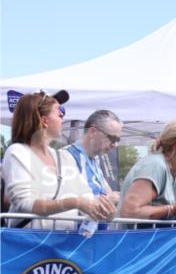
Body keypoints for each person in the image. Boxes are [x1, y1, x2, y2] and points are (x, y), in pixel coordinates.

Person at [2, 90, 114, 229]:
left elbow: (86, 197)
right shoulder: (18, 152)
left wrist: (104, 209)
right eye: (58, 112)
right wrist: (76, 202)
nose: (63, 117)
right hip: (31, 241)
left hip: (64, 241)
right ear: (44, 121)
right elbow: (26, 203)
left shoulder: (63, 157)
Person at [65, 109, 122, 204]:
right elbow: (64, 199)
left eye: (118, 140)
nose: (115, 145)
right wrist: (107, 199)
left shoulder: (95, 159)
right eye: (113, 138)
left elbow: (108, 193)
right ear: (92, 132)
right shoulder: (67, 157)